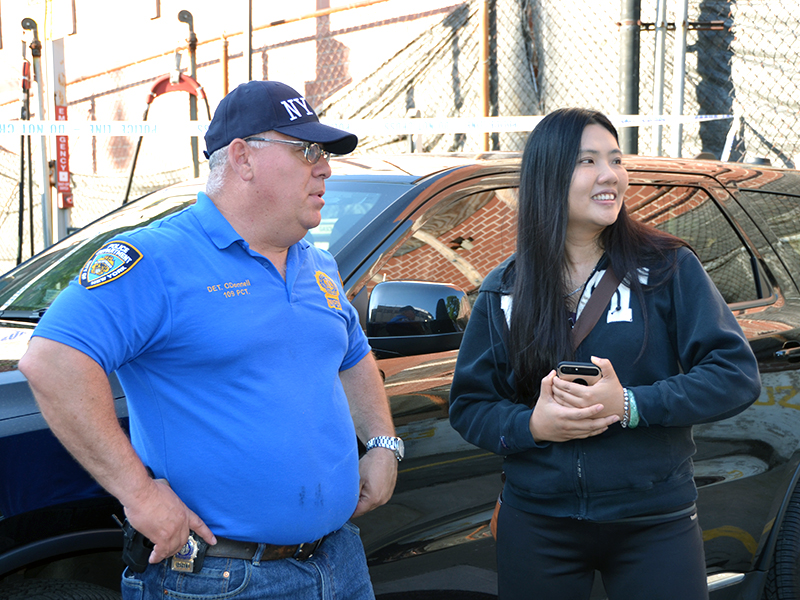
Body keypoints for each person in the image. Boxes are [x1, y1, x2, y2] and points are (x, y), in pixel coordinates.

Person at [19, 80, 403, 600]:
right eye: (308, 150)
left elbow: (353, 355)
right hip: (222, 579)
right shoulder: (157, 259)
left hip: (338, 560)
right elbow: (51, 362)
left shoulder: (317, 260)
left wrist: (381, 443)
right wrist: (139, 493)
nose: (325, 167)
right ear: (243, 158)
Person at [448, 108, 761, 600]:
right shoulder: (504, 287)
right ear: (548, 175)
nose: (610, 174)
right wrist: (532, 427)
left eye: (616, 159)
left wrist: (632, 406)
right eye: (588, 161)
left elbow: (734, 375)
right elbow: (470, 406)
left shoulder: (667, 267)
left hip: (654, 519)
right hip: (538, 522)